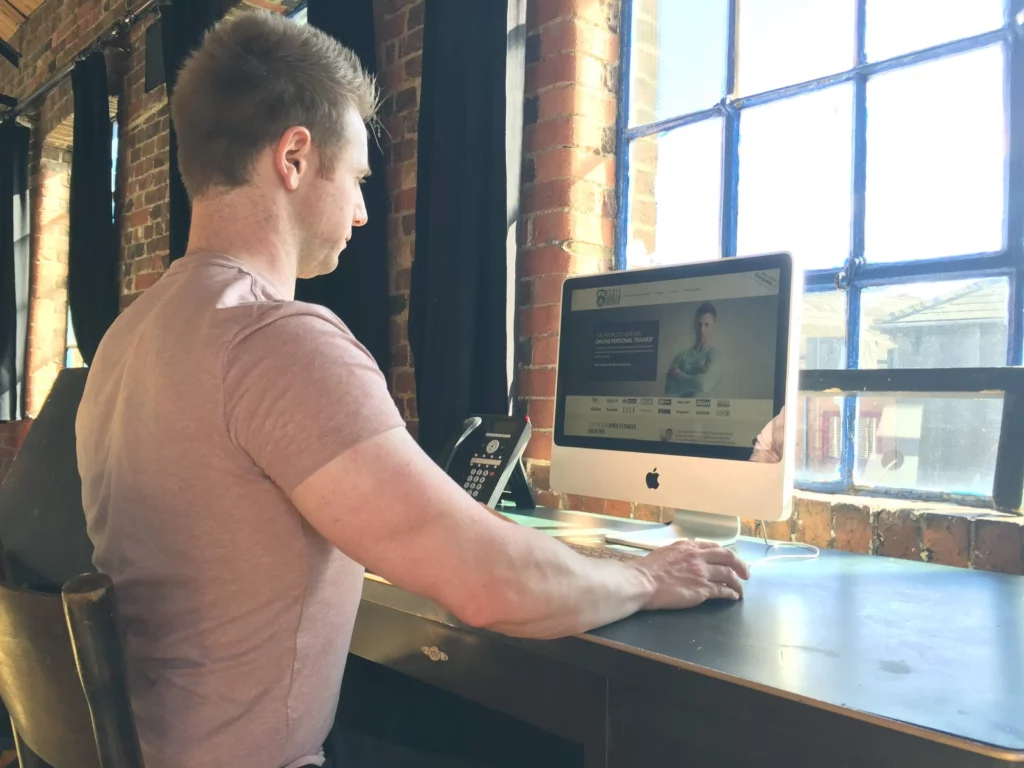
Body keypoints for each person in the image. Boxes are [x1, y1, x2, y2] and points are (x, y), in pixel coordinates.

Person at [75, 12, 749, 768]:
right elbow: (491, 584)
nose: (363, 211)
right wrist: (645, 575)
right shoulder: (276, 342)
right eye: (358, 178)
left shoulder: (126, 340)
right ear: (294, 157)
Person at [666, 303, 721, 397]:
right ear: (694, 324)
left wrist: (680, 376)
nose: (702, 330)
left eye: (707, 325)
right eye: (699, 324)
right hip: (680, 406)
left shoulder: (715, 356)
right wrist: (696, 379)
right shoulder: (681, 356)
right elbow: (669, 390)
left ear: (713, 326)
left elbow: (703, 385)